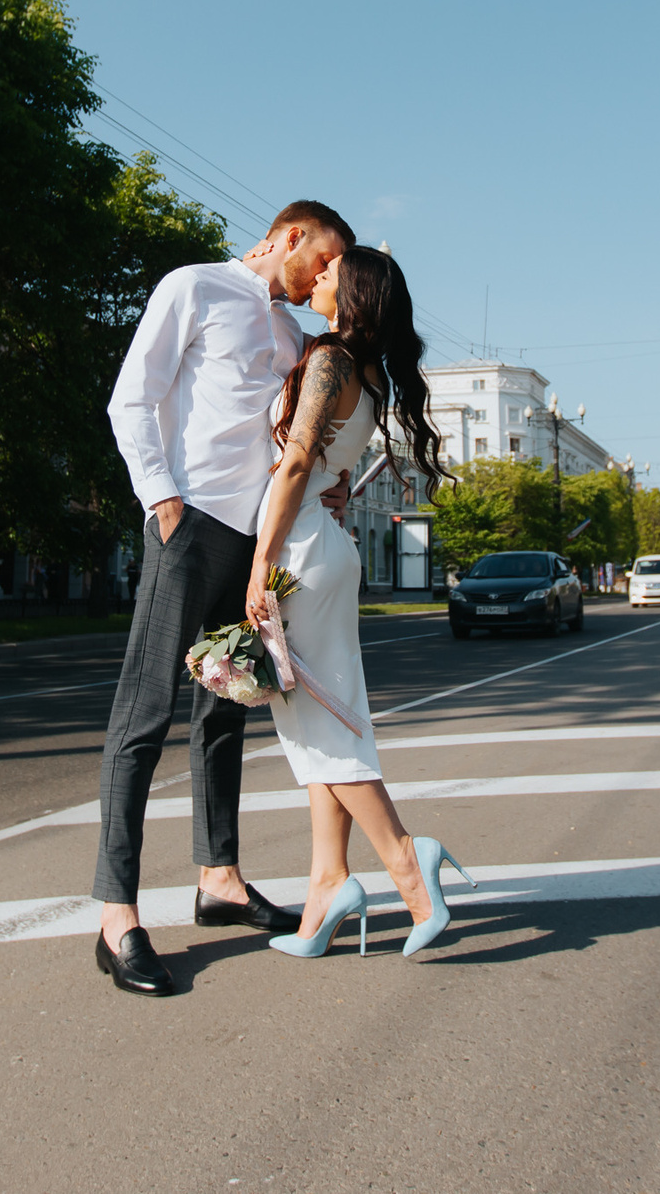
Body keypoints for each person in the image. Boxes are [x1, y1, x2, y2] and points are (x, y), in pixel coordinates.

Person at [94, 200, 356, 996]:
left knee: (224, 712)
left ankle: (220, 878)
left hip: (253, 546)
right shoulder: (194, 286)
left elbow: (293, 432)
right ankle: (116, 916)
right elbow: (131, 396)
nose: (324, 277)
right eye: (322, 259)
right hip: (189, 523)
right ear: (287, 236)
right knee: (145, 710)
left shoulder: (292, 334)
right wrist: (160, 499)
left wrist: (327, 489)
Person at [245, 246, 474, 959]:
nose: (315, 277)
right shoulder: (369, 376)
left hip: (302, 553)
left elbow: (293, 466)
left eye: (329, 271)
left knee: (326, 727)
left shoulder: (331, 361)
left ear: (355, 290)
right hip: (327, 546)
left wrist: (259, 565)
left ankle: (409, 863)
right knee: (320, 724)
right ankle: (327, 886)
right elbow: (329, 467)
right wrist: (327, 491)